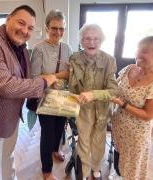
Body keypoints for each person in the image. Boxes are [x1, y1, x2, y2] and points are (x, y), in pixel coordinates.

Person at [0, 5, 57, 180]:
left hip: (9, 120)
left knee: (7, 163)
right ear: (8, 19)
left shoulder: (22, 48)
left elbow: (23, 79)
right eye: (21, 23)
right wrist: (44, 81)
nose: (25, 30)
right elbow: (7, 85)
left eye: (31, 28)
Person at [68, 24, 117, 180]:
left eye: (96, 39)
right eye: (87, 38)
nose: (92, 42)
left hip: (102, 109)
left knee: (98, 140)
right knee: (83, 140)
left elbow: (114, 91)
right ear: (82, 41)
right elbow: (72, 84)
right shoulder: (74, 58)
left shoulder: (109, 60)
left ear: (101, 40)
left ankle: (96, 168)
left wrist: (93, 94)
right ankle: (85, 170)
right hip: (82, 108)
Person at [30, 9, 72, 180]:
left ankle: (56, 150)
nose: (58, 32)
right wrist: (55, 77)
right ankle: (46, 171)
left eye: (61, 29)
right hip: (45, 97)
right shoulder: (39, 49)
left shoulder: (67, 47)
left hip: (63, 97)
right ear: (47, 27)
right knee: (47, 133)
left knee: (59, 128)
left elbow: (70, 72)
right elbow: (33, 76)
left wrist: (53, 76)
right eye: (54, 28)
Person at [111, 36, 153, 180]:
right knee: (118, 166)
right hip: (118, 129)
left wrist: (123, 104)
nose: (139, 54)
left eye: (145, 51)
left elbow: (148, 115)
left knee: (131, 171)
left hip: (136, 136)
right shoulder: (129, 68)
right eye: (138, 49)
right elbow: (113, 87)